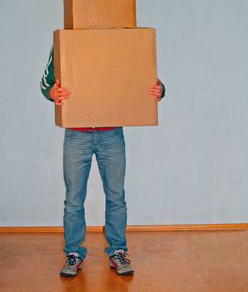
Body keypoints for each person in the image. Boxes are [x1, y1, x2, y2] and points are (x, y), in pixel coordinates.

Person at [40, 45, 166, 277]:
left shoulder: (115, 41)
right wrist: (52, 93)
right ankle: (74, 254)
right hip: (77, 133)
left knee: (116, 197)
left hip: (111, 132)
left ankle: (118, 251)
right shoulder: (66, 42)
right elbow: (45, 82)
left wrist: (160, 88)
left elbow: (140, 72)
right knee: (73, 200)